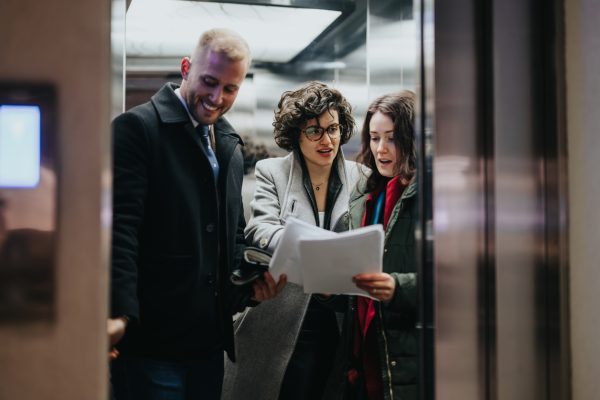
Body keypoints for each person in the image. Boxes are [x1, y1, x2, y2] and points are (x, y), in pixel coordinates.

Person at [107, 28, 286, 400]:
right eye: (209, 81)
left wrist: (250, 287)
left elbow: (231, 237)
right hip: (151, 346)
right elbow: (120, 231)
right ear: (186, 68)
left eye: (230, 89)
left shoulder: (228, 144)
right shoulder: (137, 129)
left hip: (207, 348)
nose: (217, 97)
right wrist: (119, 315)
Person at [222, 81, 363, 400]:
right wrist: (315, 249)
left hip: (342, 317)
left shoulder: (361, 177)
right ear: (296, 135)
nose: (327, 140)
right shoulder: (272, 171)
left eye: (333, 128)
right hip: (283, 314)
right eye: (314, 131)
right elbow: (261, 229)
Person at [325, 91, 418, 400]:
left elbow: (457, 283)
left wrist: (396, 287)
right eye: (375, 138)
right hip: (362, 355)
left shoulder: (429, 197)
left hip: (404, 354)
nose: (381, 149)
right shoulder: (365, 195)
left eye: (391, 138)